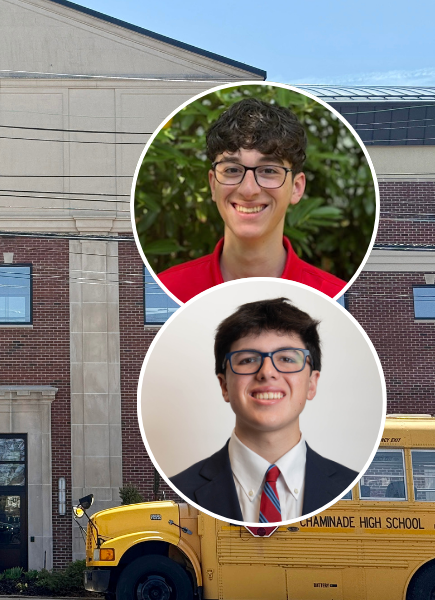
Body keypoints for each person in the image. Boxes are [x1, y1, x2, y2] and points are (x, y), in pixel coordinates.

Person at [169, 298, 356, 523]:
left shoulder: (352, 489)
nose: (267, 372)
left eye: (286, 358)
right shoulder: (179, 490)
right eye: (248, 360)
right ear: (224, 386)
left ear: (312, 383)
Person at [157, 98, 346, 303]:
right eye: (232, 170)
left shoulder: (334, 298)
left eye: (268, 170)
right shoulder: (166, 291)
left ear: (296, 188)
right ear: (213, 185)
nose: (248, 190)